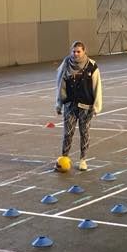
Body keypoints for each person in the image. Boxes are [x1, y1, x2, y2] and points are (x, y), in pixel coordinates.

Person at [55, 41, 103, 171]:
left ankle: (83, 159)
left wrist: (96, 106)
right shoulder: (65, 65)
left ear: (84, 52)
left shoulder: (92, 66)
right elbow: (60, 85)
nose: (75, 54)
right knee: (68, 133)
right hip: (70, 105)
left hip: (86, 107)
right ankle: (64, 158)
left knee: (84, 132)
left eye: (78, 51)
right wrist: (59, 104)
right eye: (73, 51)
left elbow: (97, 87)